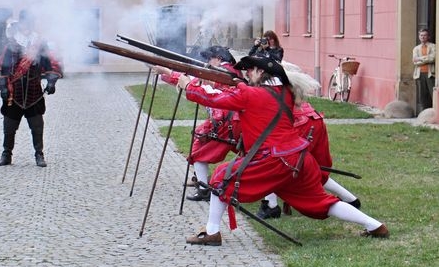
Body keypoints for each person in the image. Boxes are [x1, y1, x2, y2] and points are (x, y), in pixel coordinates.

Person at [177, 55, 389, 246]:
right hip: (298, 158)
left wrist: (190, 85)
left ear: (261, 73)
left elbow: (214, 98)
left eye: (250, 70)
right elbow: (238, 94)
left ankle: (212, 232)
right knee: (320, 201)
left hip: (275, 159)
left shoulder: (252, 94)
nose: (247, 73)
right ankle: (374, 224)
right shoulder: (283, 92)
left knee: (222, 176)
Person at [257, 69, 360, 220]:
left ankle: (271, 206)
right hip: (311, 119)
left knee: (274, 163)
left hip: (301, 122)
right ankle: (351, 200)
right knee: (312, 167)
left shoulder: (271, 83)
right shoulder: (277, 79)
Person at [152, 45, 242, 202]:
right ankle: (270, 203)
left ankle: (203, 189)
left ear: (219, 59)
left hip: (225, 122)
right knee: (255, 157)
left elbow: (195, 84)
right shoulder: (229, 71)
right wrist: (166, 74)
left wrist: (166, 73)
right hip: (235, 121)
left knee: (198, 150)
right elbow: (195, 83)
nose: (207, 62)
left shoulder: (223, 72)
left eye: (209, 59)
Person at [0, 10, 63, 168]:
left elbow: (50, 65)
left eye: (30, 22)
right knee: (9, 126)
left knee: (37, 126)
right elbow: (2, 68)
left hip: (34, 91)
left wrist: (51, 82)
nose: (27, 26)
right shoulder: (11, 44)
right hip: (14, 92)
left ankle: (39, 155)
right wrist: (4, 87)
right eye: (25, 22)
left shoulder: (39, 44)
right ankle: (6, 155)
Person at [412, 28, 435, 115]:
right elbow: (414, 61)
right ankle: (424, 114)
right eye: (421, 35)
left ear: (428, 36)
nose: (423, 37)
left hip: (430, 74)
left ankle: (434, 113)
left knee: (432, 94)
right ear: (419, 37)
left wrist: (420, 59)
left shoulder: (433, 46)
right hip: (420, 74)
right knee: (422, 95)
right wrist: (426, 58)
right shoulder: (416, 48)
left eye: (425, 35)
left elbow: (433, 58)